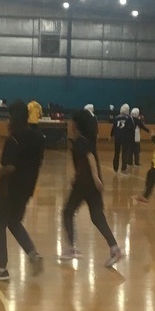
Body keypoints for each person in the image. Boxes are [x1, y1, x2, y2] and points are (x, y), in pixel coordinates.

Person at [0, 101, 45, 281]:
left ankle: (1, 269)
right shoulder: (38, 138)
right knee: (14, 222)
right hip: (27, 189)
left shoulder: (13, 139)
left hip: (9, 189)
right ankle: (33, 255)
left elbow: (10, 167)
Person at [60, 110, 123, 267]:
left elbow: (90, 158)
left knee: (67, 212)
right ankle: (115, 249)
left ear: (76, 125)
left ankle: (71, 248)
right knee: (97, 216)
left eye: (71, 121)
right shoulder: (83, 140)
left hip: (85, 184)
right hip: (88, 183)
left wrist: (95, 177)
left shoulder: (81, 141)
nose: (69, 123)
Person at [110, 104, 135, 174]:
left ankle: (115, 167)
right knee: (125, 153)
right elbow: (132, 128)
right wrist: (132, 138)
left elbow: (114, 127)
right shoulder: (129, 118)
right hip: (125, 138)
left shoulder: (116, 117)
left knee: (116, 153)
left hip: (117, 137)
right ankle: (123, 169)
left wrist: (111, 135)